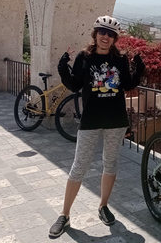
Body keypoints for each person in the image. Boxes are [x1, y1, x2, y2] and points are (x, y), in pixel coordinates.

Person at [49, 15, 145, 237]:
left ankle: (103, 206)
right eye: (102, 32)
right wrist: (63, 66)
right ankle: (64, 214)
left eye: (111, 34)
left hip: (115, 120)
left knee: (110, 164)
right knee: (79, 165)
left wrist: (139, 68)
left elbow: (128, 85)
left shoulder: (120, 60)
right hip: (91, 120)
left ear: (114, 38)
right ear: (95, 34)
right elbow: (74, 85)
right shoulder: (84, 58)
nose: (106, 37)